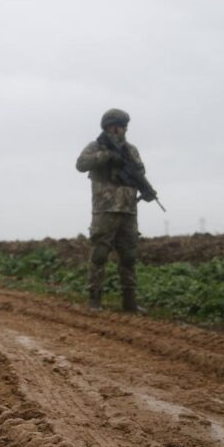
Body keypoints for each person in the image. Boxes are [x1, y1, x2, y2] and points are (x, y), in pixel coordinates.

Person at [76, 108, 149, 313]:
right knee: (99, 254)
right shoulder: (95, 147)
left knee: (129, 256)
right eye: (114, 126)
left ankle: (129, 302)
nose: (118, 130)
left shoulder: (131, 151)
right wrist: (106, 156)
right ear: (107, 128)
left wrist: (147, 190)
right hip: (105, 209)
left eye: (122, 127)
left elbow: (139, 174)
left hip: (128, 210)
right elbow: (81, 164)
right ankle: (94, 299)